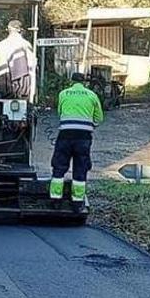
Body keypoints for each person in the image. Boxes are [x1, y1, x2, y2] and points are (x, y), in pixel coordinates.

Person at [50, 73, 103, 203]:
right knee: (81, 166)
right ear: (84, 83)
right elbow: (99, 118)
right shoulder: (92, 95)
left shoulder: (63, 94)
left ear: (71, 82)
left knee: (59, 165)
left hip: (65, 134)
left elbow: (60, 113)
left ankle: (56, 199)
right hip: (83, 137)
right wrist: (90, 125)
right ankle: (78, 201)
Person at [0, 19, 37, 99]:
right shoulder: (26, 45)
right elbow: (32, 68)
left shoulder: (1, 45)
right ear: (21, 31)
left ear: (8, 30)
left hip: (2, 87)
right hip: (22, 91)